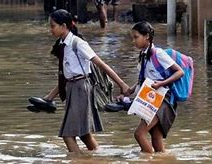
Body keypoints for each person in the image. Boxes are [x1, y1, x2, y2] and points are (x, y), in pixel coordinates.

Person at [43, 9, 129, 153]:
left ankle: (78, 161)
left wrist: (122, 84)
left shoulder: (78, 43)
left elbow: (101, 64)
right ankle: (97, 156)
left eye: (52, 26)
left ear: (63, 26)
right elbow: (65, 76)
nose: (50, 29)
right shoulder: (63, 44)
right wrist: (49, 98)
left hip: (80, 88)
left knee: (68, 135)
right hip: (71, 88)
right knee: (84, 134)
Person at [121, 21, 184, 153]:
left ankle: (149, 160)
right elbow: (143, 78)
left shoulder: (158, 53)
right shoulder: (143, 55)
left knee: (139, 134)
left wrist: (161, 83)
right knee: (156, 137)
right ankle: (161, 160)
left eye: (136, 37)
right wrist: (130, 91)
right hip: (150, 100)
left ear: (147, 37)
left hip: (162, 100)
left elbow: (180, 72)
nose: (133, 41)